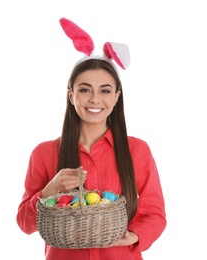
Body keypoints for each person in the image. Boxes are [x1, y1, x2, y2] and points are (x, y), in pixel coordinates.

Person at [16, 18, 166, 260]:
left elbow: (155, 214)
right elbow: (25, 223)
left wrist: (135, 235)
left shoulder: (137, 150)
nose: (95, 99)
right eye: (85, 89)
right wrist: (50, 189)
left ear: (116, 97)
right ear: (71, 95)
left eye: (105, 90)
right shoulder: (44, 153)